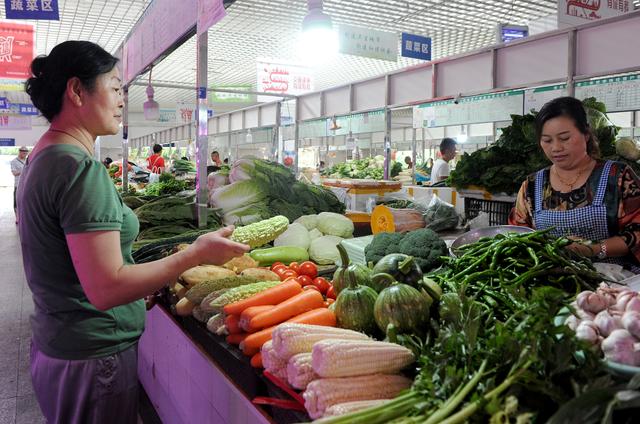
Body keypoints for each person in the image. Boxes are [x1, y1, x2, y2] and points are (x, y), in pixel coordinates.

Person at [20, 40, 249, 423]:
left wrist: (136, 291)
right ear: (77, 90)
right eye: (114, 87)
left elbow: (76, 268)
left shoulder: (44, 157)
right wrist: (194, 254)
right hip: (93, 358)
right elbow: (107, 288)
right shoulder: (80, 170)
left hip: (63, 344)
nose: (122, 99)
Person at [509, 96, 640, 272]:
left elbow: (637, 233)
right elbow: (517, 234)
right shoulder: (531, 186)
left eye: (564, 138)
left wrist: (593, 249)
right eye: (547, 140)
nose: (556, 148)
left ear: (586, 134)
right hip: (550, 281)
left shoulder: (618, 176)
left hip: (613, 281)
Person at [11, 146, 28, 222]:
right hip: (18, 185)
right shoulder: (14, 161)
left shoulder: (28, 161)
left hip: (27, 185)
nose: (25, 153)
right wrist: (24, 170)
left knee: (26, 202)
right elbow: (14, 173)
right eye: (23, 152)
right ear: (19, 152)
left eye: (26, 152)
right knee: (16, 202)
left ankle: (25, 217)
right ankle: (17, 218)